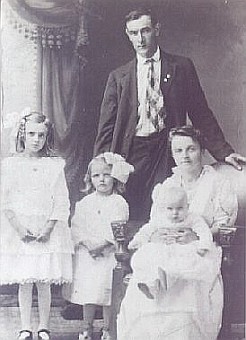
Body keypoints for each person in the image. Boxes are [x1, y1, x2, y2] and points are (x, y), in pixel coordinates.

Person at [93, 7, 245, 220]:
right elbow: (106, 126)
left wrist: (223, 151)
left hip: (166, 149)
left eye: (145, 31)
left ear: (157, 29)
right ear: (128, 35)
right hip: (132, 151)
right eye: (134, 33)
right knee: (133, 211)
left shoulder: (181, 67)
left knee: (166, 208)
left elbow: (200, 112)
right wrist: (99, 162)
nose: (140, 39)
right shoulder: (119, 76)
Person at [117, 125, 238, 340]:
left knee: (187, 284)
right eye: (178, 151)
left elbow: (225, 223)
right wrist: (156, 237)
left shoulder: (218, 183)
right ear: (172, 155)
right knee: (149, 271)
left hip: (200, 250)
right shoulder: (168, 185)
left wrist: (197, 236)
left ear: (202, 151)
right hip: (167, 249)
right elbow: (155, 222)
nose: (185, 156)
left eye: (191, 149)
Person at [0, 112, 73, 340]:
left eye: (41, 135)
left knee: (44, 281)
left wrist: (48, 228)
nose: (36, 140)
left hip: (46, 230)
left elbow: (61, 200)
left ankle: (43, 326)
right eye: (31, 134)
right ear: (23, 134)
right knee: (25, 280)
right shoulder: (11, 165)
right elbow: (5, 200)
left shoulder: (53, 165)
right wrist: (19, 229)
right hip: (21, 231)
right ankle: (24, 327)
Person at [63, 152, 133, 340]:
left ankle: (108, 328)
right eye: (96, 175)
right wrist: (87, 244)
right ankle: (87, 327)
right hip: (88, 255)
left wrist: (102, 245)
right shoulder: (85, 203)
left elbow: (119, 227)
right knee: (89, 292)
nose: (101, 179)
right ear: (90, 179)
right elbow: (77, 226)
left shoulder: (119, 202)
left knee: (107, 293)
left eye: (106, 174)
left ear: (115, 177)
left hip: (109, 254)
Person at [128, 186, 215, 300]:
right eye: (170, 209)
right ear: (163, 209)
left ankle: (168, 278)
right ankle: (150, 284)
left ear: (187, 207)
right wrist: (137, 241)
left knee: (182, 264)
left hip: (183, 249)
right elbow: (146, 230)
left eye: (180, 208)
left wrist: (203, 245)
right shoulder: (160, 219)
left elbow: (204, 231)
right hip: (162, 248)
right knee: (143, 256)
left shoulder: (193, 219)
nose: (175, 213)